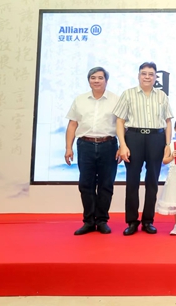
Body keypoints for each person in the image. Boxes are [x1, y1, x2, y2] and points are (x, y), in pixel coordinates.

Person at [114, 62, 173, 236]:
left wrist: (168, 145)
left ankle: (148, 221)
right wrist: (123, 144)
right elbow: (120, 121)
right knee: (132, 181)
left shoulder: (161, 95)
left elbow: (168, 121)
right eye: (144, 73)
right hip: (134, 137)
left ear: (155, 77)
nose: (147, 77)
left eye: (151, 74)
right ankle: (132, 221)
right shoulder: (128, 94)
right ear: (138, 75)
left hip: (156, 138)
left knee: (152, 181)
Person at [65, 67, 120, 235]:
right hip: (85, 145)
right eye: (93, 78)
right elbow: (72, 124)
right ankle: (89, 221)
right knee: (86, 185)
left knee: (106, 185)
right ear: (89, 80)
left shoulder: (116, 100)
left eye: (100, 78)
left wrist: (122, 146)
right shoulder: (80, 100)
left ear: (106, 80)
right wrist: (68, 148)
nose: (96, 81)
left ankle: (102, 220)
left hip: (108, 145)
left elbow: (121, 125)